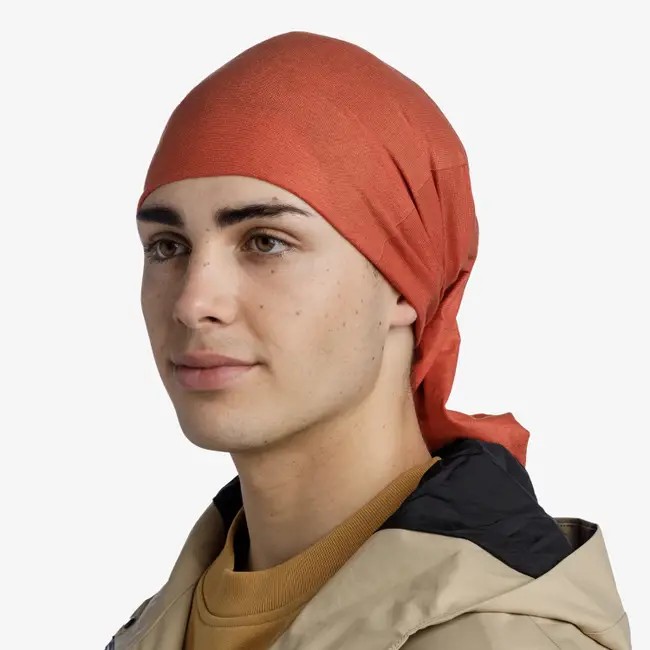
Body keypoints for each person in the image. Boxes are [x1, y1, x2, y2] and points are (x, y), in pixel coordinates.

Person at [105, 31, 630, 650]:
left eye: (265, 242)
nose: (193, 303)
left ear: (405, 283)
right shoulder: (160, 624)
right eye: (167, 247)